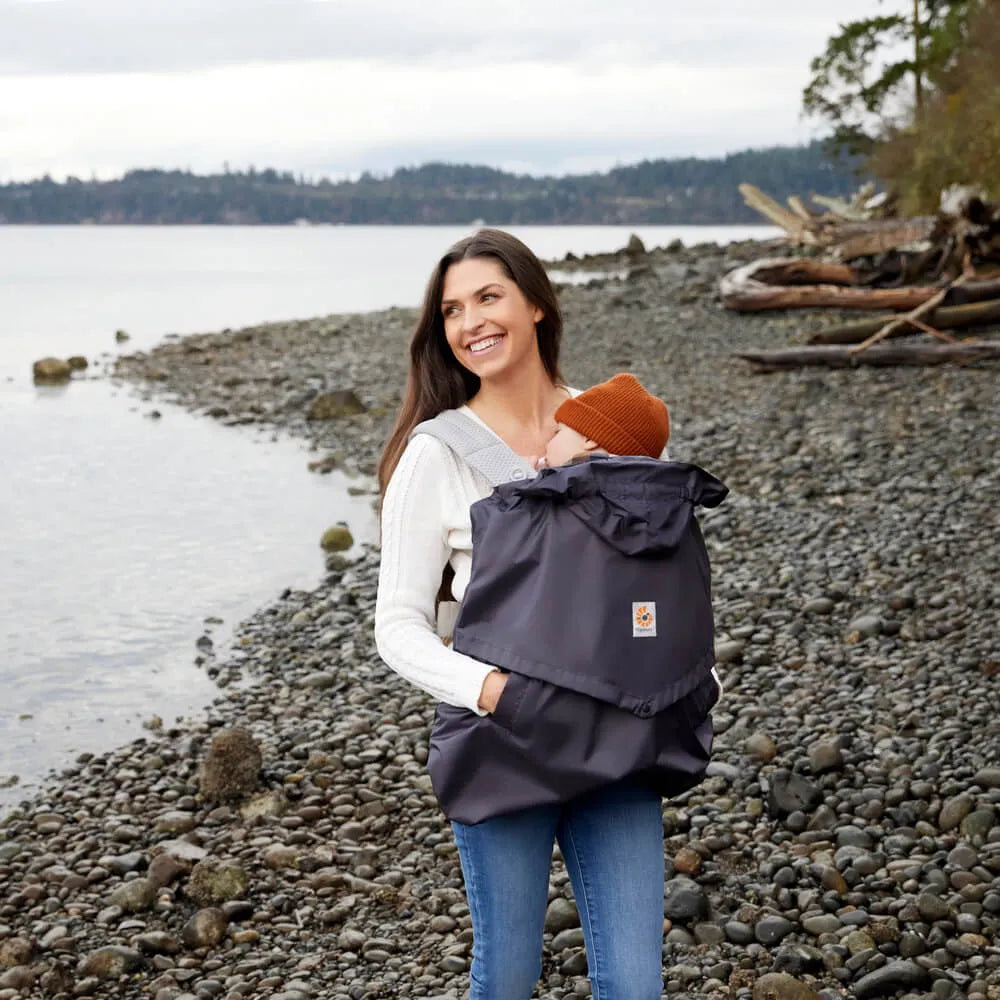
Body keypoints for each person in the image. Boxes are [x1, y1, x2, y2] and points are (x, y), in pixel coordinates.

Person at [375, 229, 669, 999]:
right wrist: (496, 693)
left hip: (619, 737)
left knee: (635, 987)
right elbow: (397, 625)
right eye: (451, 310)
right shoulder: (434, 453)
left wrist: (681, 676)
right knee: (505, 977)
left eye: (488, 297)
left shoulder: (609, 425)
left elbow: (662, 573)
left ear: (536, 303)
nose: (470, 321)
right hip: (503, 742)